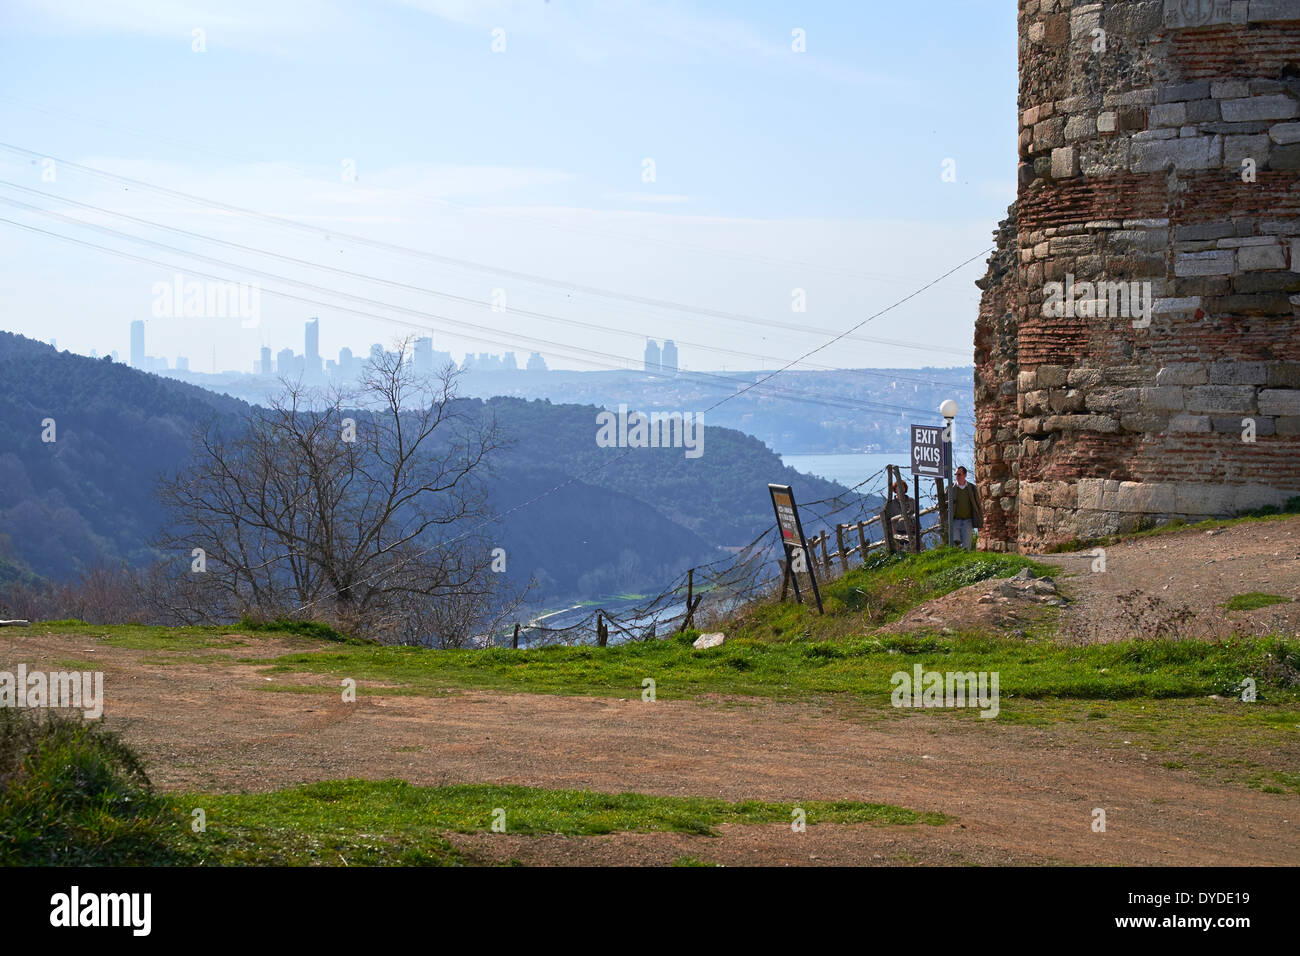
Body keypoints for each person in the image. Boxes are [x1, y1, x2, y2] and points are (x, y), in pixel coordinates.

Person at [948, 466, 983, 550]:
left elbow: (977, 504)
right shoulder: (951, 488)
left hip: (968, 520)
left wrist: (979, 519)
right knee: (955, 541)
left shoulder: (971, 488)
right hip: (955, 520)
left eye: (959, 474)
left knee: (966, 545)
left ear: (965, 475)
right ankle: (956, 559)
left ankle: (965, 561)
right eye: (956, 474)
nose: (957, 476)